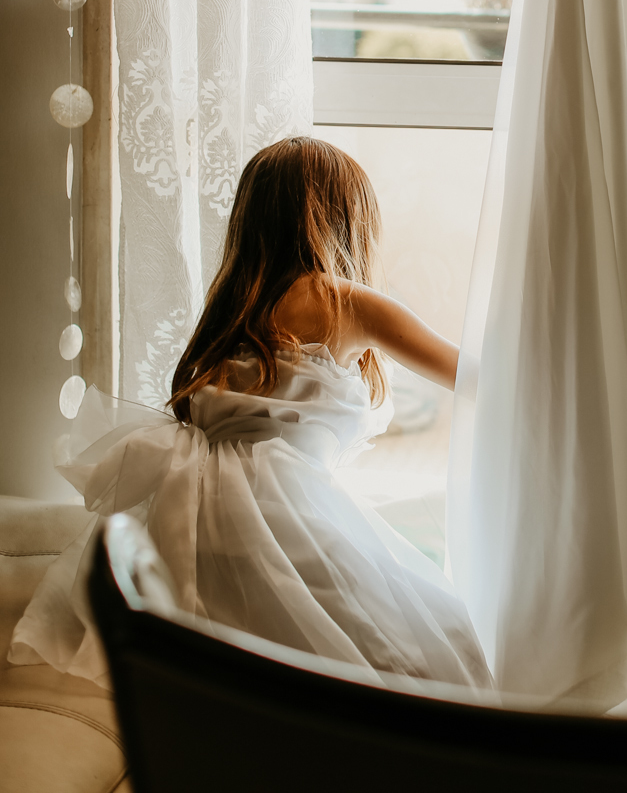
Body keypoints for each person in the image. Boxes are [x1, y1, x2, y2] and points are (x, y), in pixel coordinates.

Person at [10, 137, 492, 692]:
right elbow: (473, 377)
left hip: (198, 514)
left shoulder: (234, 304)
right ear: (343, 219)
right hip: (280, 508)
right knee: (442, 643)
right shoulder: (343, 301)